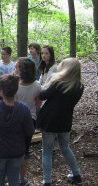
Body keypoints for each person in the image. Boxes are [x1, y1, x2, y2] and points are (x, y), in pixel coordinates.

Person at [37, 58, 84, 186]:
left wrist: (44, 85)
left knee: (47, 150)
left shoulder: (58, 83)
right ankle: (76, 174)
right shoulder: (79, 86)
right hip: (65, 121)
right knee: (65, 147)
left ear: (66, 68)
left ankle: (47, 181)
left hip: (50, 121)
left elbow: (42, 96)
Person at [0, 75, 35, 186]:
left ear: (0, 91)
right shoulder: (24, 109)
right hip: (17, 152)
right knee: (14, 178)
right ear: (16, 90)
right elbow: (30, 132)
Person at [14, 58, 41, 186]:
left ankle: (13, 177)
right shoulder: (37, 84)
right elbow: (38, 103)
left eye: (16, 67)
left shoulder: (15, 84)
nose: (15, 69)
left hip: (16, 119)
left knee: (13, 148)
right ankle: (22, 179)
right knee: (25, 150)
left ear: (21, 70)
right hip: (31, 119)